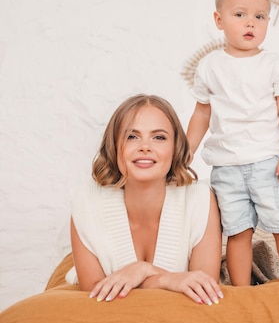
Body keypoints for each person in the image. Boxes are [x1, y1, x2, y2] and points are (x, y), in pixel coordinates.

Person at [186, 0, 279, 285]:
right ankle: (242, 292)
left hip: (269, 162)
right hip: (226, 166)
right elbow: (202, 112)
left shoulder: (275, 64)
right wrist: (186, 149)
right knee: (237, 231)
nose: (250, 23)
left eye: (259, 16)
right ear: (219, 19)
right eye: (240, 15)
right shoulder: (210, 66)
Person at [67, 94, 223, 305]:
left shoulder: (199, 198)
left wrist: (141, 271)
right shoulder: (86, 200)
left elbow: (203, 285)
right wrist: (164, 278)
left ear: (175, 147)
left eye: (159, 137)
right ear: (114, 146)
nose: (145, 147)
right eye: (132, 136)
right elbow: (95, 288)